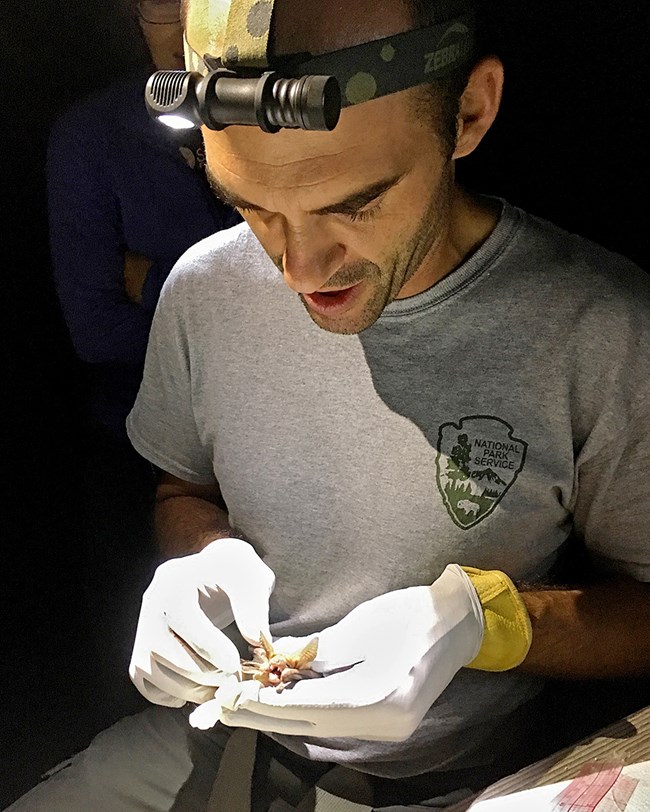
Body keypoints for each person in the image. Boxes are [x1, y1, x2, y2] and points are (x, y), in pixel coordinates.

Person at [8, 0, 650, 809]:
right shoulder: (205, 289)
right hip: (229, 736)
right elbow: (184, 489)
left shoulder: (601, 331)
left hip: (466, 780)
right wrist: (201, 556)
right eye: (253, 207)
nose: (300, 269)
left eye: (355, 203)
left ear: (470, 113)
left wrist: (489, 624)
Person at [44, 0, 241, 727]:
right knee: (149, 690)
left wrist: (152, 280)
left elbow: (305, 284)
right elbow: (97, 332)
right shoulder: (93, 133)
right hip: (138, 448)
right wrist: (221, 297)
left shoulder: (272, 106)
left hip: (270, 436)